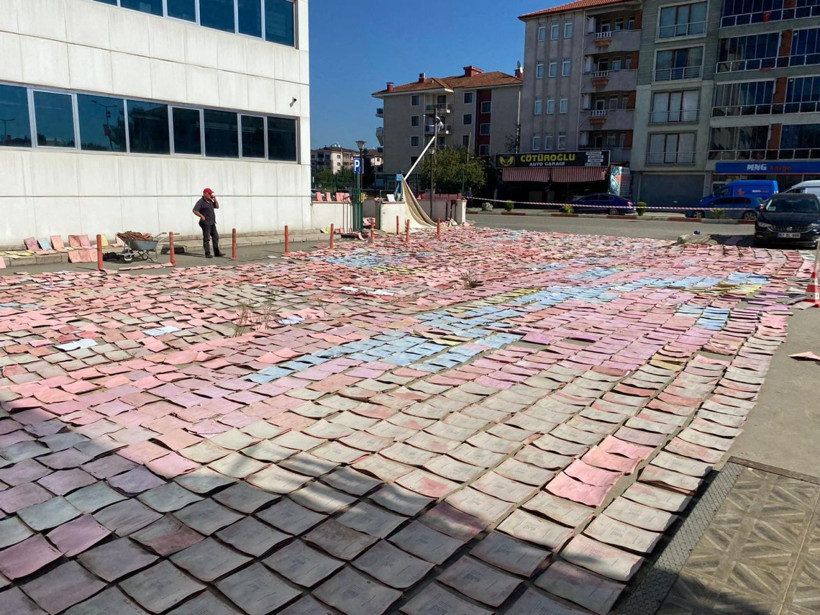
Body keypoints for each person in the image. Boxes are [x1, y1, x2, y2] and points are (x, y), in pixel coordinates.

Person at [193, 188, 223, 258]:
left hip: (212, 222)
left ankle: (217, 252)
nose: (211, 195)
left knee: (216, 237)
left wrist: (215, 199)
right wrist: (201, 216)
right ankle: (207, 253)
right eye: (209, 194)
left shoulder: (210, 201)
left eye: (211, 193)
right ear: (205, 194)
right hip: (205, 223)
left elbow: (217, 207)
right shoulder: (200, 202)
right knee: (207, 238)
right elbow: (195, 210)